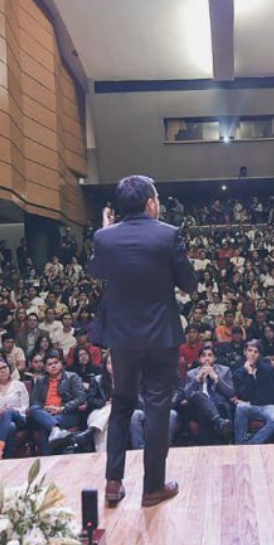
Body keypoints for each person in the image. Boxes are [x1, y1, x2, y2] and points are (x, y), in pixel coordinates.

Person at [88, 176, 198, 508]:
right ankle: (152, 488)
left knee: (121, 404)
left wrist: (105, 231)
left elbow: (96, 272)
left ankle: (112, 483)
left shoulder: (104, 237)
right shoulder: (168, 234)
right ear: (151, 203)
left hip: (121, 337)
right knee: (157, 407)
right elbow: (189, 284)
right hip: (160, 335)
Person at [230, 340, 274, 445]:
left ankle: (251, 444)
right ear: (245, 352)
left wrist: (251, 399)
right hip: (249, 406)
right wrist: (249, 373)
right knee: (241, 407)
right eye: (250, 351)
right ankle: (240, 443)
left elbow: (273, 392)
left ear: (259, 354)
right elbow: (245, 394)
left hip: (267, 406)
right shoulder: (238, 372)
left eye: (256, 352)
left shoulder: (268, 369)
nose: (252, 354)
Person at [182, 344, 235, 443]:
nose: (207, 358)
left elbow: (230, 393)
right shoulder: (192, 373)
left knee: (204, 415)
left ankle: (206, 449)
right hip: (196, 408)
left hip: (219, 406)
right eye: (203, 356)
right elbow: (186, 395)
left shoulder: (225, 370)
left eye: (210, 355)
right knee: (198, 395)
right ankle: (219, 422)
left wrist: (216, 378)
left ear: (214, 358)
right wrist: (197, 379)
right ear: (199, 359)